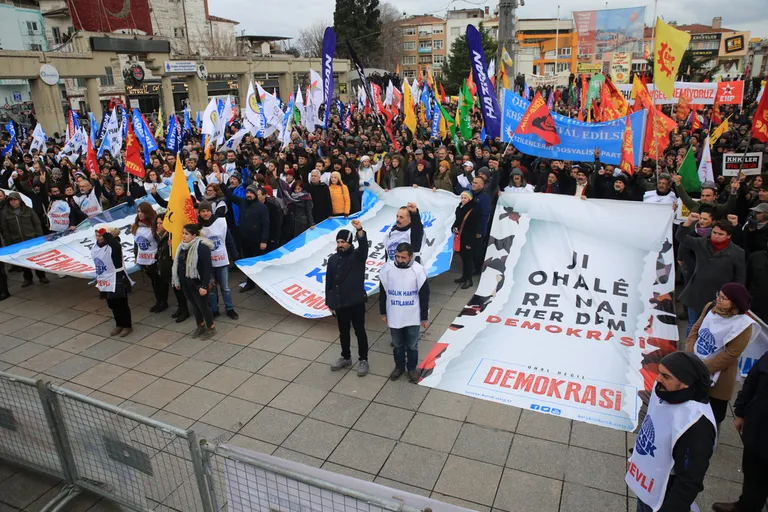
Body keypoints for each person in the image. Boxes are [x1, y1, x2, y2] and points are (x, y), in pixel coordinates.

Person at [627, 351, 716, 512]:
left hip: (665, 493)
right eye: (659, 373)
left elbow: (690, 480)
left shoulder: (697, 425)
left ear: (685, 383)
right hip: (647, 483)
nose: (658, 379)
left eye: (666, 377)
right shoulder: (663, 391)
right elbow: (653, 423)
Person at [686, 283, 756, 425]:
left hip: (719, 377)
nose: (718, 299)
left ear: (734, 304)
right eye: (719, 295)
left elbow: (731, 354)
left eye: (724, 298)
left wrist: (701, 369)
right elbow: (695, 330)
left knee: (712, 417)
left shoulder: (743, 325)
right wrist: (689, 356)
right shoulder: (710, 307)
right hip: (694, 365)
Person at [711, 350, 768, 512]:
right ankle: (746, 505)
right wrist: (741, 413)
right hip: (759, 431)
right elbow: (753, 379)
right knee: (753, 474)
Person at [676, 214, 746, 334]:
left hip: (720, 297)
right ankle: (688, 352)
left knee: (713, 328)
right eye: (714, 232)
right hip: (697, 292)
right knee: (693, 325)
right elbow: (681, 237)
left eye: (720, 234)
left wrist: (733, 298)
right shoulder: (701, 243)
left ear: (728, 236)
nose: (716, 236)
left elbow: (739, 277)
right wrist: (688, 222)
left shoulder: (737, 252)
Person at [379, 242, 430, 383]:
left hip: (412, 315)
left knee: (412, 345)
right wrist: (383, 312)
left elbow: (424, 295)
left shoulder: (418, 270)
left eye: (403, 257)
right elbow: (383, 292)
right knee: (397, 344)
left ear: (411, 257)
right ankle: (399, 367)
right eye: (397, 257)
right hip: (394, 314)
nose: (400, 260)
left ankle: (412, 369)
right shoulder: (387, 269)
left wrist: (424, 317)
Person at [326, 220, 370, 377]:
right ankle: (346, 357)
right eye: (338, 241)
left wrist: (360, 230)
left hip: (356, 302)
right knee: (343, 332)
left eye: (343, 241)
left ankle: (363, 359)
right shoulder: (332, 260)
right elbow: (329, 283)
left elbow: (364, 245)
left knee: (360, 331)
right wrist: (329, 302)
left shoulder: (358, 256)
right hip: (340, 303)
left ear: (350, 242)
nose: (340, 244)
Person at [172, 224, 216, 338]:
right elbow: (179, 264)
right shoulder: (182, 247)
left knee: (203, 306)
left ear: (194, 235)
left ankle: (211, 327)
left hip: (198, 283)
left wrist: (204, 286)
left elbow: (207, 268)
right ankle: (200, 326)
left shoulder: (201, 247)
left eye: (186, 234)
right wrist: (178, 280)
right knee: (194, 306)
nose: (183, 236)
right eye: (183, 233)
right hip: (186, 283)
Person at [198, 201, 238, 320]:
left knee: (225, 287)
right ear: (199, 213)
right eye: (203, 211)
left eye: (207, 211)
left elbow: (229, 241)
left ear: (211, 211)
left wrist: (235, 256)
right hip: (208, 264)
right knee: (212, 288)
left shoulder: (220, 222)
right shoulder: (197, 226)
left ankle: (229, 308)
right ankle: (214, 310)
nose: (205, 213)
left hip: (221, 261)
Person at [92, 224, 133, 337]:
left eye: (100, 235)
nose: (98, 237)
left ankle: (127, 326)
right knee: (112, 304)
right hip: (104, 279)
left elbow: (115, 246)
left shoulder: (114, 245)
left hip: (117, 277)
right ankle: (119, 324)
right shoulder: (96, 246)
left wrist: (106, 234)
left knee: (121, 303)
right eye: (96, 235)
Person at [0, 191, 49, 287]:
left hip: (31, 239)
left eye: (14, 200)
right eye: (10, 200)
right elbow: (5, 229)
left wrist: (39, 237)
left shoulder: (28, 210)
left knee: (36, 258)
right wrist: (8, 241)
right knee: (23, 261)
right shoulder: (5, 213)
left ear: (19, 200)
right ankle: (27, 278)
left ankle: (41, 276)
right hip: (17, 240)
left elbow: (37, 224)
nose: (12, 202)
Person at [231, 184, 269, 293]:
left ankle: (264, 284)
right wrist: (221, 183)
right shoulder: (243, 202)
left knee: (260, 263)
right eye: (247, 192)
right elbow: (230, 196)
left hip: (257, 240)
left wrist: (264, 241)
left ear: (255, 194)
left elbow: (266, 225)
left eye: (251, 193)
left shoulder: (262, 207)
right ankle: (250, 282)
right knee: (248, 262)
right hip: (245, 239)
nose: (248, 194)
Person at [131, 202, 165, 312]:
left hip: (154, 259)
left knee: (159, 281)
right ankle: (158, 301)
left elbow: (159, 242)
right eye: (138, 211)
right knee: (153, 282)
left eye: (142, 211)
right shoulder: (136, 226)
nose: (140, 214)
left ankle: (163, 302)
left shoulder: (153, 225)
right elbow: (136, 244)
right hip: (143, 259)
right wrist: (137, 257)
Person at [157, 213, 189, 323]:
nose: (158, 225)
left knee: (179, 290)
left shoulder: (172, 235)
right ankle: (181, 308)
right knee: (175, 291)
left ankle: (185, 311)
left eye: (161, 223)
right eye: (157, 223)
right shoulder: (161, 235)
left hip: (173, 267)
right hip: (166, 267)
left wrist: (174, 244)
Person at [452, 191, 479, 289]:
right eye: (462, 197)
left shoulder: (473, 210)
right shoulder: (459, 208)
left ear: (469, 199)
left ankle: (469, 279)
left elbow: (474, 226)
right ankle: (464, 276)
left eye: (465, 198)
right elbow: (457, 220)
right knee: (463, 257)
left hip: (469, 237)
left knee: (468, 259)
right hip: (461, 236)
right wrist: (454, 227)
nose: (463, 200)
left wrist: (470, 241)